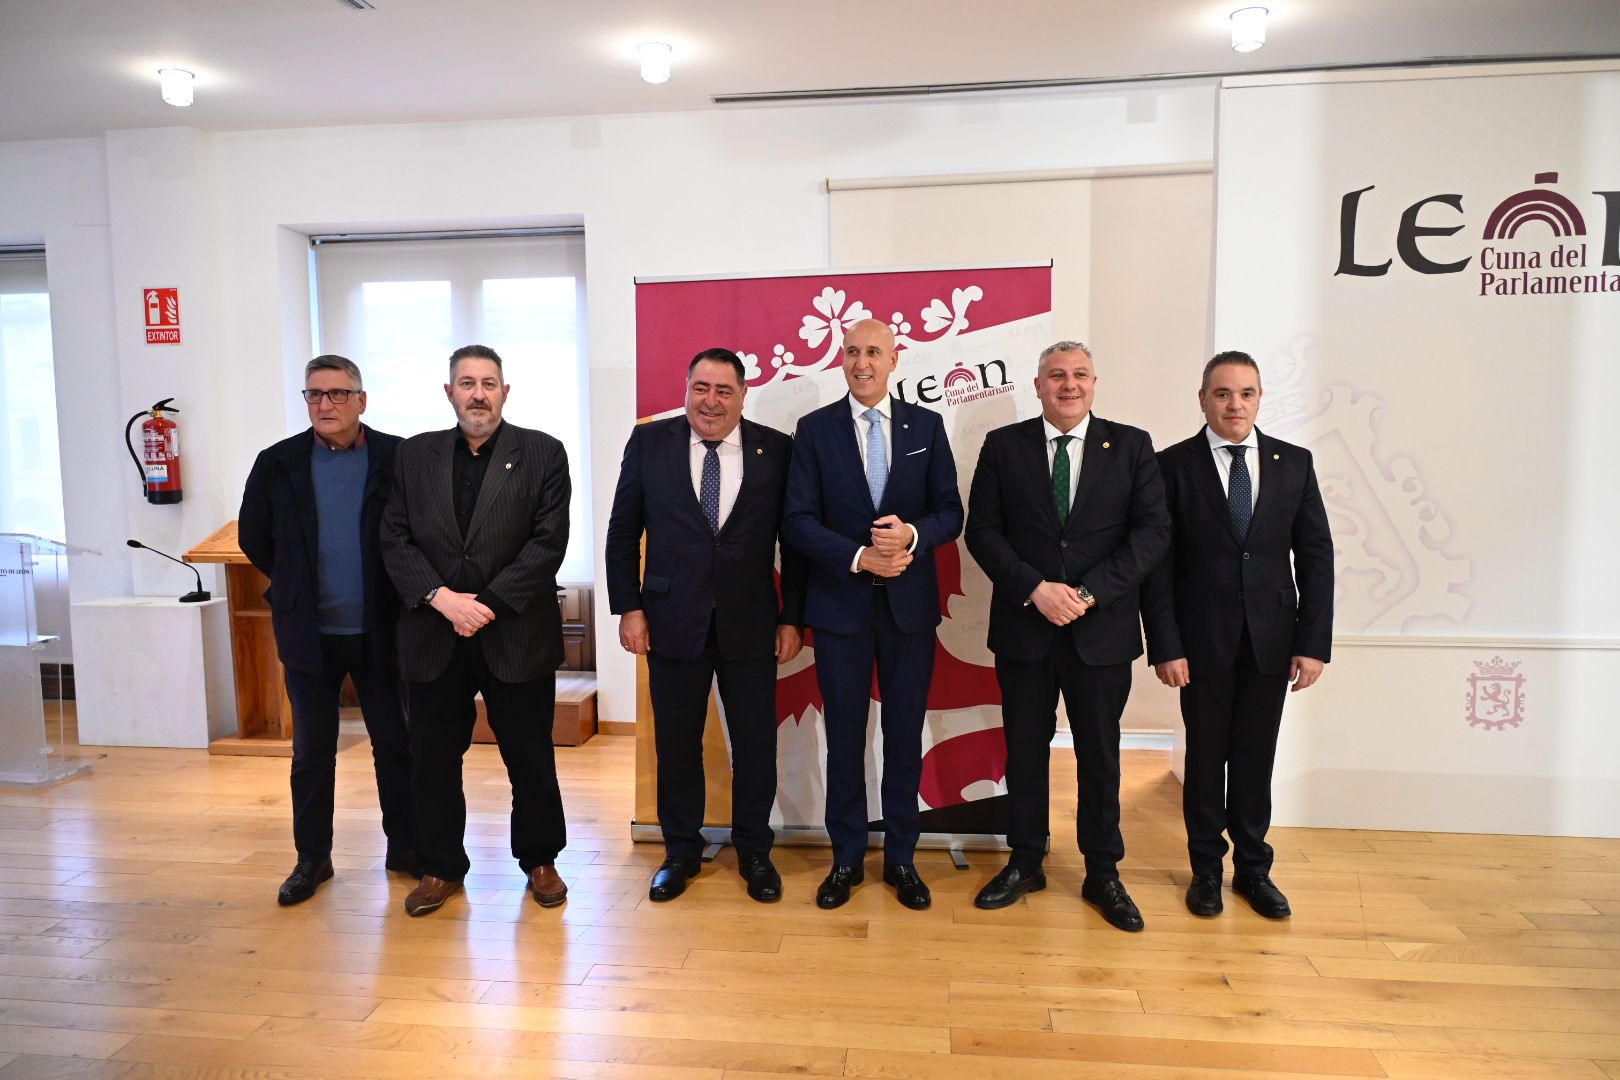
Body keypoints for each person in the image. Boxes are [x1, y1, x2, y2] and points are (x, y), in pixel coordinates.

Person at [964, 341, 1169, 931]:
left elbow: (1153, 532)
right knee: (1025, 752)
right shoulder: (1004, 447)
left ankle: (1103, 870)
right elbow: (983, 530)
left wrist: (1087, 592)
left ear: (1095, 383)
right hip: (1025, 630)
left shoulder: (1130, 445)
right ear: (1037, 386)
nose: (1069, 384)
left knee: (1099, 757)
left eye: (1079, 374)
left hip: (1099, 632)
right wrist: (1035, 588)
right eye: (1057, 375)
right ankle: (1026, 860)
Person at [605, 348, 807, 903]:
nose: (711, 401)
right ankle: (680, 851)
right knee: (676, 742)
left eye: (723, 390)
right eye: (701, 388)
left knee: (755, 743)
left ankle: (755, 851)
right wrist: (630, 608)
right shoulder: (650, 443)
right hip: (670, 621)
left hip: (752, 622)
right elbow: (623, 532)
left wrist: (793, 617)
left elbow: (794, 544)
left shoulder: (776, 450)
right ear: (686, 389)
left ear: (744, 395)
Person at [380, 344, 572, 917]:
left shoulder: (542, 453)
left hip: (514, 631)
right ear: (449, 393)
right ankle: (439, 867)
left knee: (530, 757)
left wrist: (483, 604)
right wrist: (442, 599)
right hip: (434, 633)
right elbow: (394, 538)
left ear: (505, 392)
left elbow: (547, 542)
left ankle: (540, 861)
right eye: (467, 383)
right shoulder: (413, 456)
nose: (478, 394)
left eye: (489, 383)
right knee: (433, 758)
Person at [1142, 350, 1333, 920]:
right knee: (1205, 759)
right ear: (1203, 399)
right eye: (1223, 393)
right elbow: (1158, 565)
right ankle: (1205, 870)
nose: (1235, 404)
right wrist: (1166, 644)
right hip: (1200, 645)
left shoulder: (1293, 463)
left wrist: (1312, 641)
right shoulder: (1171, 466)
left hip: (1272, 641)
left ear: (1259, 399)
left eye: (1246, 393)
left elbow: (1316, 555)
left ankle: (1254, 870)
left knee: (1255, 757)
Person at [782, 319, 963, 911]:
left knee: (904, 735)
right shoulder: (814, 431)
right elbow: (799, 522)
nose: (863, 362)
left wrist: (911, 534)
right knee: (843, 739)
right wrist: (861, 557)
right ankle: (846, 859)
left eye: (875, 352)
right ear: (842, 359)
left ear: (895, 359)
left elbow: (950, 512)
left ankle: (904, 860)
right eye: (854, 351)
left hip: (911, 613)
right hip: (840, 609)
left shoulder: (927, 427)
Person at [238, 354, 417, 906]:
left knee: (395, 745)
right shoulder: (279, 462)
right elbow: (254, 537)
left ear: (361, 400)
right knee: (313, 752)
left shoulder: (398, 456)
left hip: (382, 630)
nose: (325, 404)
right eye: (315, 394)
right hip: (310, 632)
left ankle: (406, 849)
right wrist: (294, 583)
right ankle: (312, 858)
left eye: (338, 394)